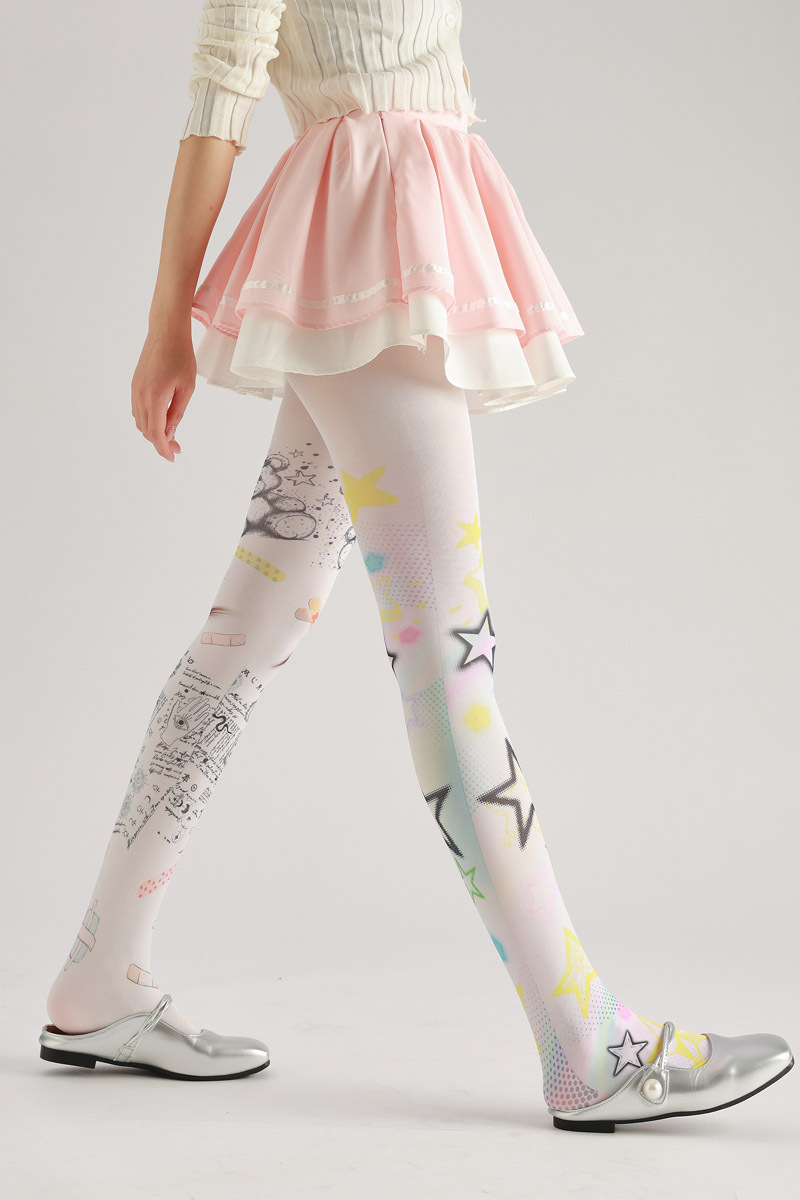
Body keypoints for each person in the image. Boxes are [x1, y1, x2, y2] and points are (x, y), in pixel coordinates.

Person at [39, 1, 793, 1132]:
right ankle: (586, 1042)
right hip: (370, 236)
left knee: (251, 628)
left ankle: (101, 976)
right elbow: (223, 84)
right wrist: (166, 326)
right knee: (447, 653)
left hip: (393, 227)